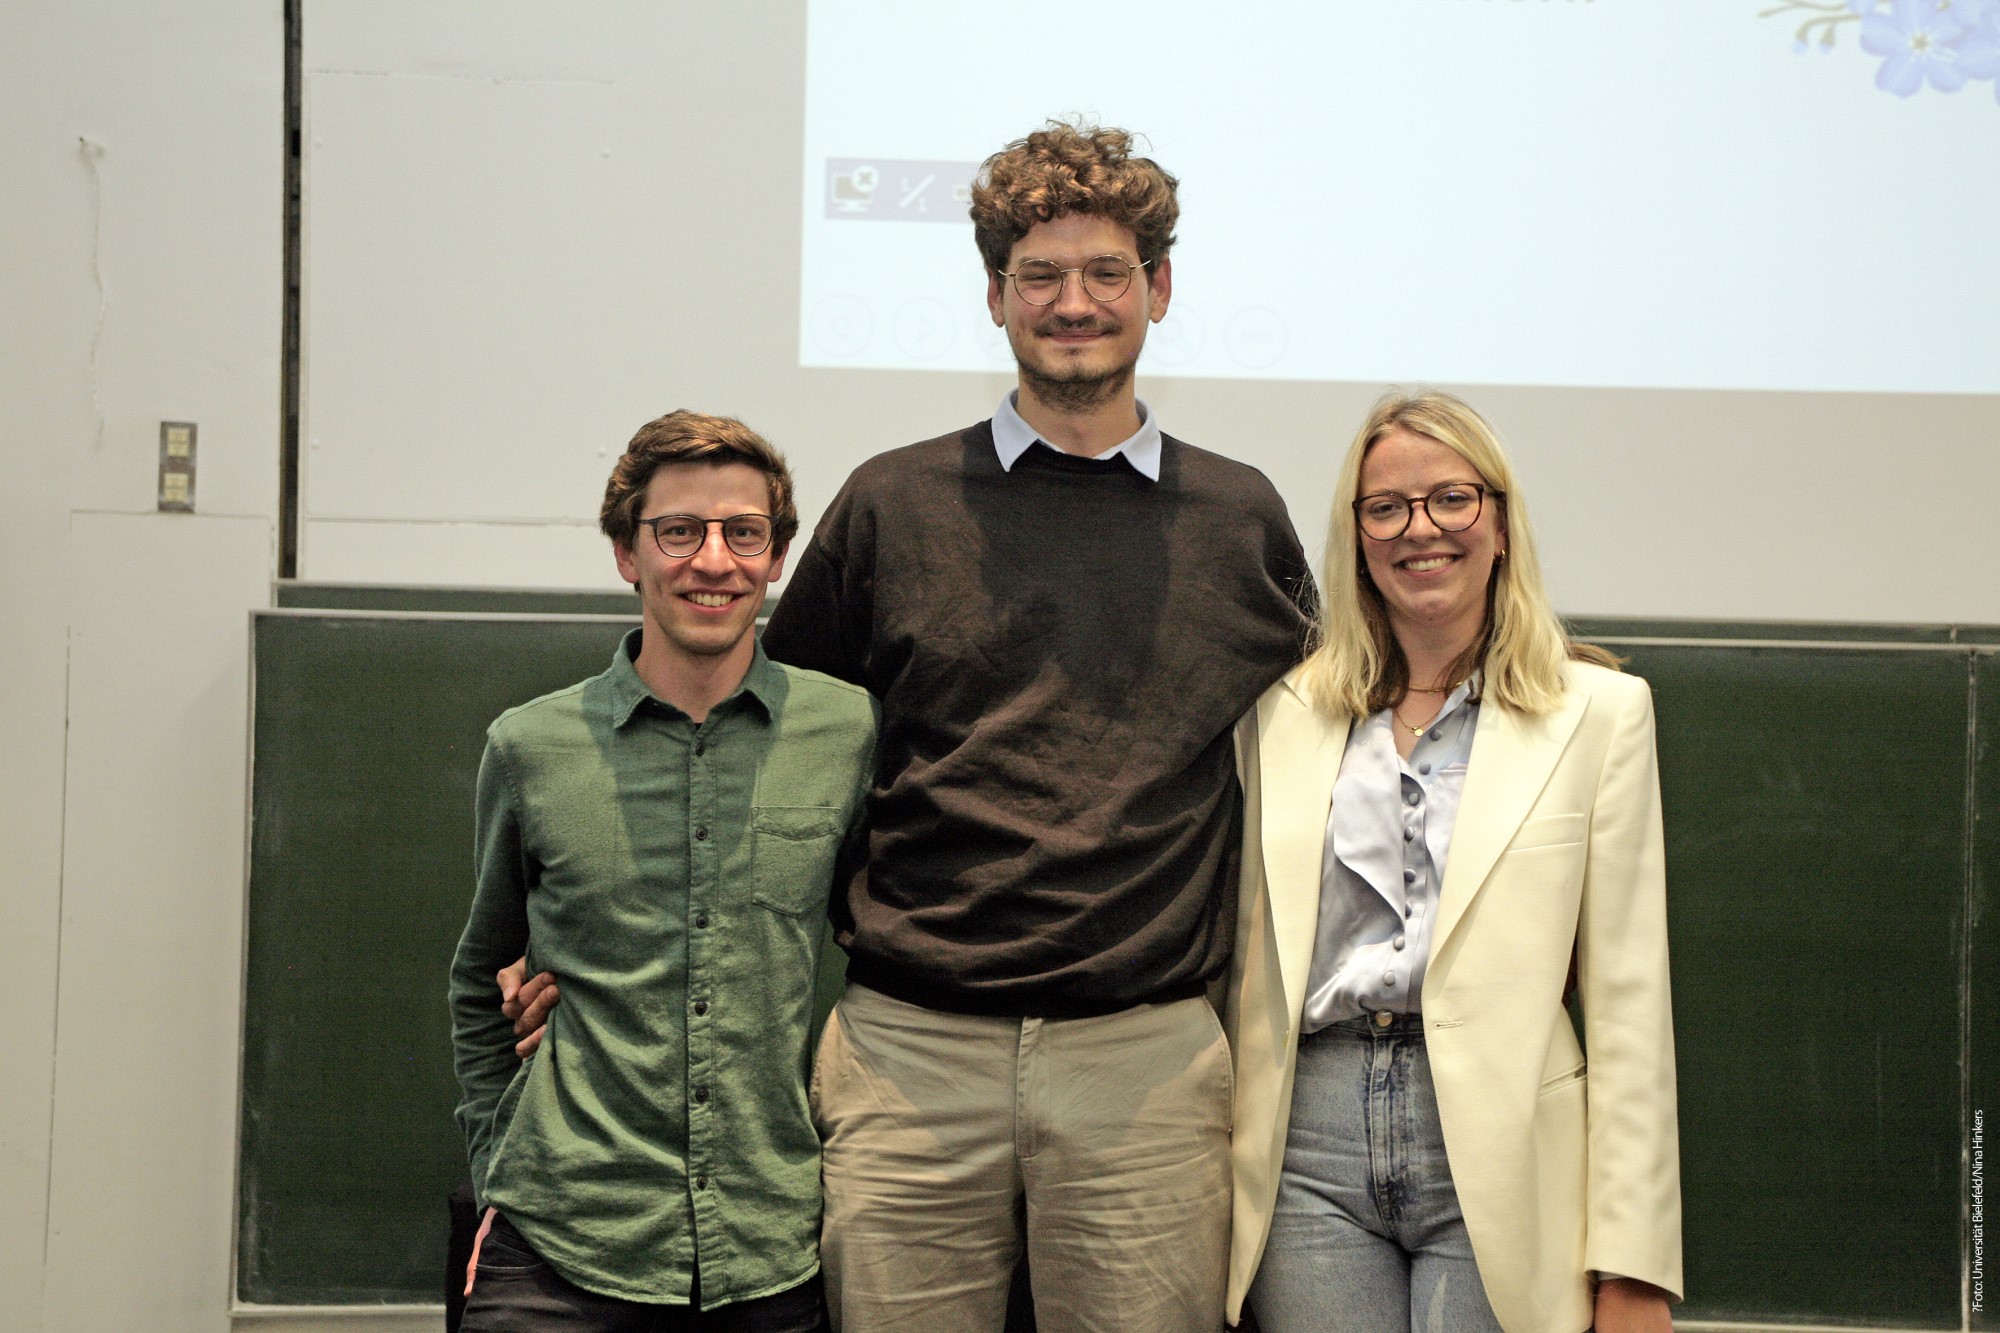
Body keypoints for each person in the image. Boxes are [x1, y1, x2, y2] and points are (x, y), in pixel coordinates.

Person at [506, 121, 1312, 1330]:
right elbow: (753, 744)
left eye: (1105, 272)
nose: (1072, 303)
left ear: (1157, 287)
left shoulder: (1238, 518)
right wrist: (586, 940)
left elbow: (1342, 729)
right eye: (1038, 275)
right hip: (907, 1054)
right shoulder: (890, 502)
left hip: (1145, 1062)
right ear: (993, 297)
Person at [1223, 391, 1683, 1332]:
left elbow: (1631, 1006)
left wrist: (1634, 1268)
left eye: (1452, 499)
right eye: (1386, 507)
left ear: (1501, 523)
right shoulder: (1280, 713)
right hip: (1307, 1150)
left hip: (1506, 1145)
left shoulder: (1599, 714)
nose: (1420, 529)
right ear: (1357, 537)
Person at [450, 411, 876, 1332]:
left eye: (743, 533)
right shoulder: (529, 747)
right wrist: (496, 1166)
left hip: (769, 1248)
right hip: (559, 1248)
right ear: (626, 553)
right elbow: (481, 977)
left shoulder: (848, 734)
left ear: (777, 557)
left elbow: (881, 940)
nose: (712, 560)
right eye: (678, 530)